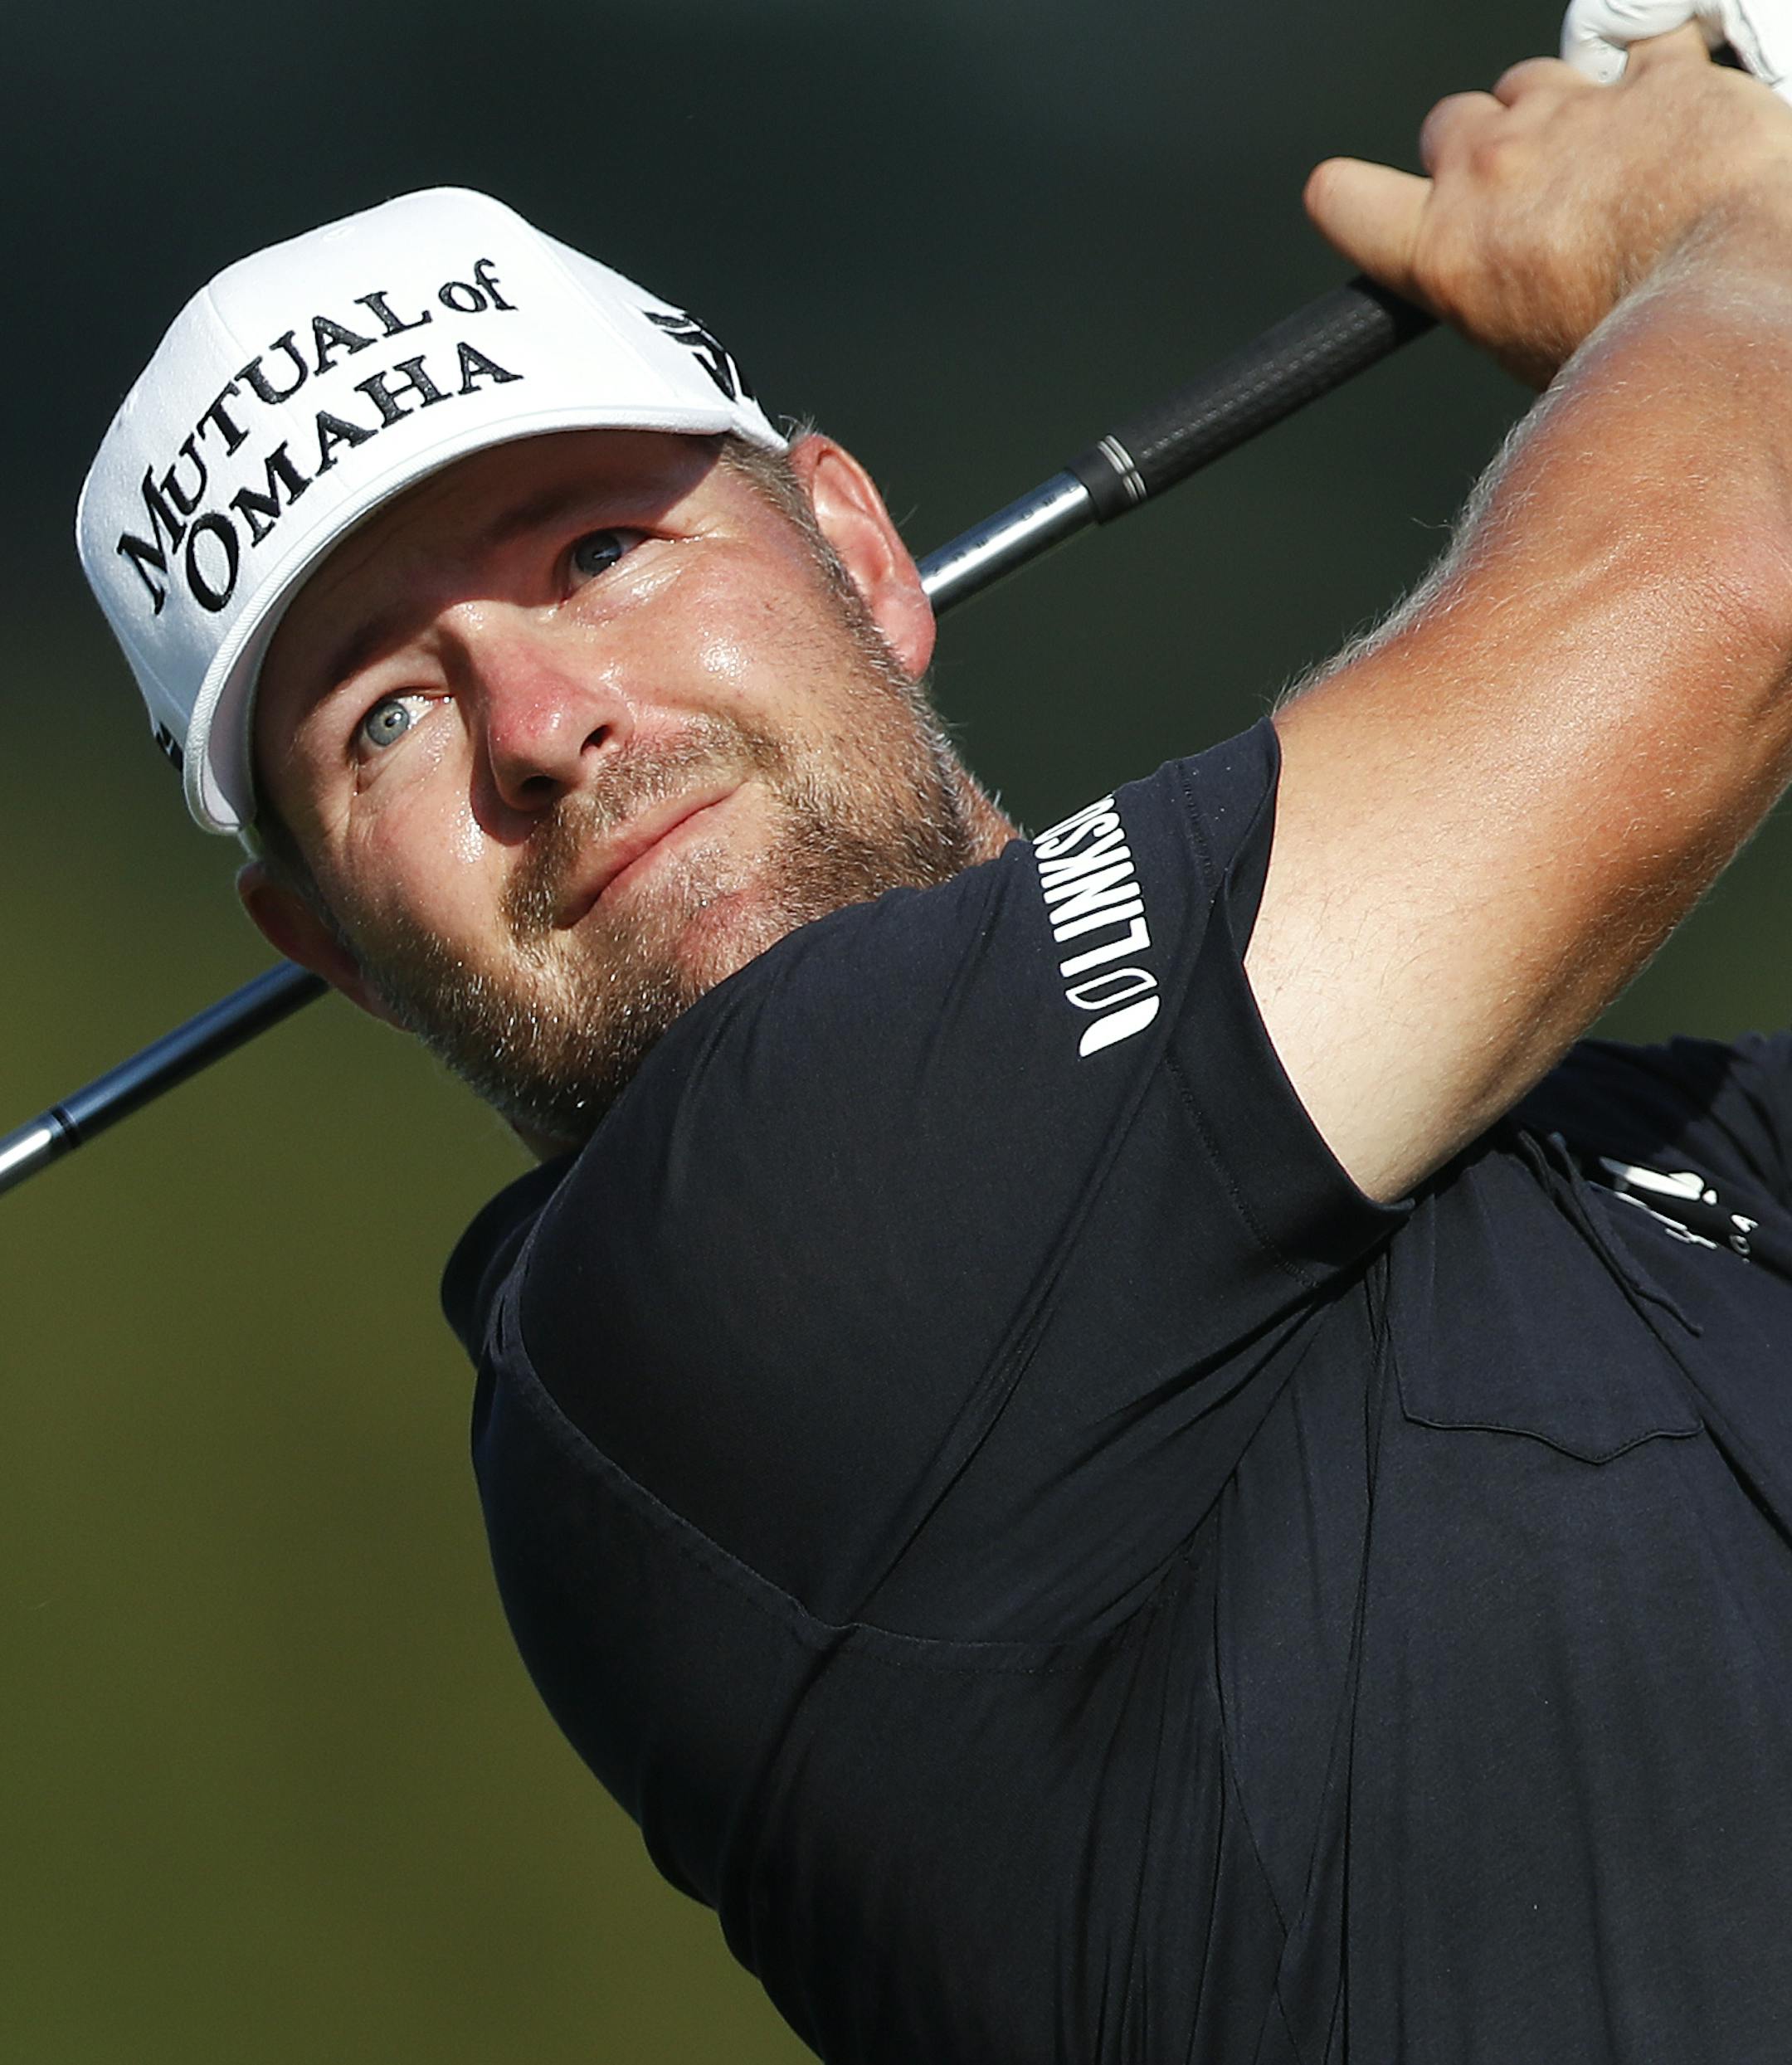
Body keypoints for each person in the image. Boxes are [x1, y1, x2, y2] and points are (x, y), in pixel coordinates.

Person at [73, 9, 1792, 2059]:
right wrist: (1724, 205)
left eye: (603, 554)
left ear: (860, 551)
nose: (547, 726)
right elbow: (1728, 578)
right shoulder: (716, 1283)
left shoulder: (1620, 1167)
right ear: (329, 944)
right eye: (388, 716)